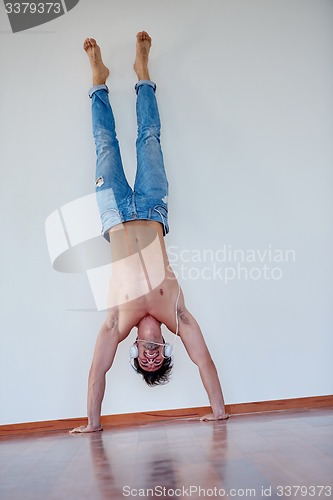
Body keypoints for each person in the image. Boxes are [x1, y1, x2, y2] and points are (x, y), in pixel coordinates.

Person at [70, 31, 228, 433]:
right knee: (149, 138)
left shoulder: (115, 325)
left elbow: (96, 372)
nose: (152, 357)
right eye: (158, 360)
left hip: (115, 214)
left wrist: (93, 424)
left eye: (145, 360)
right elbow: (204, 361)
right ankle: (143, 73)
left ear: (137, 350)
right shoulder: (177, 314)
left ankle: (98, 80)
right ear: (164, 348)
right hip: (153, 207)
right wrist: (220, 412)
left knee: (105, 142)